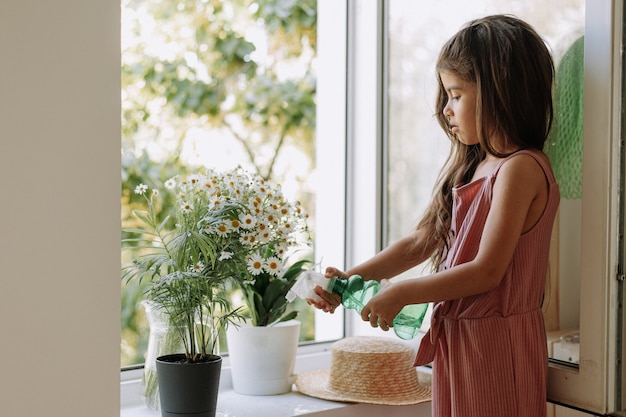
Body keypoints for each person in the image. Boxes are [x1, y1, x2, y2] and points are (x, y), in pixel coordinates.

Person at [309, 14, 560, 417]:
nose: (446, 109)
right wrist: (352, 279)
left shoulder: (521, 169)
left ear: (500, 89)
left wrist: (403, 292)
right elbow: (419, 242)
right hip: (460, 344)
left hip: (498, 348)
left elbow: (486, 272)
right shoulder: (473, 165)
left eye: (456, 94)